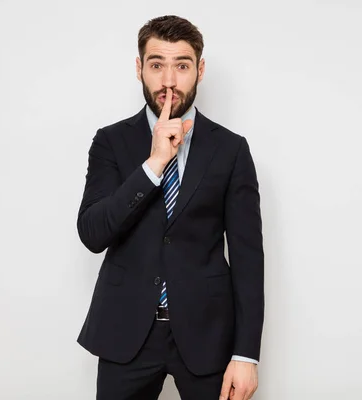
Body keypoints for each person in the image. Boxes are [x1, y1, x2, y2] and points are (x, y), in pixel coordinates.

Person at [76, 15, 264, 400]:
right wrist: (154, 165)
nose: (168, 81)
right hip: (125, 333)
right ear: (139, 68)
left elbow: (248, 259)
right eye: (156, 64)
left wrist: (246, 354)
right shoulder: (111, 142)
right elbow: (93, 233)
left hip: (206, 336)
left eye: (181, 65)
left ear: (200, 69)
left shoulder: (231, 150)